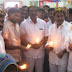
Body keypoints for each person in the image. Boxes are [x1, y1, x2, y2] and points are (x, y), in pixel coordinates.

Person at [20, 6, 48, 72]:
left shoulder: (43, 23)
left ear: (37, 12)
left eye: (35, 11)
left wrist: (40, 44)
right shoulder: (24, 24)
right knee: (29, 70)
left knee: (40, 70)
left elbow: (46, 37)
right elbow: (22, 39)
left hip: (40, 53)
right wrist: (32, 45)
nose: (33, 12)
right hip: (29, 53)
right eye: (31, 11)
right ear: (28, 13)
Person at [46, 7, 69, 72]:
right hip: (52, 57)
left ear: (64, 16)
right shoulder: (51, 27)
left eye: (61, 16)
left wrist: (63, 51)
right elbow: (49, 40)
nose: (59, 18)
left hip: (62, 57)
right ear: (54, 17)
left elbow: (70, 43)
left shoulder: (69, 27)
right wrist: (47, 46)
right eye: (57, 16)